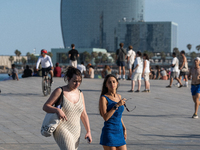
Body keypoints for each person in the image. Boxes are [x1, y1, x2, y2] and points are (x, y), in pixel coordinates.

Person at [43, 67, 92, 149]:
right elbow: (45, 106)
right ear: (68, 79)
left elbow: (83, 114)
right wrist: (57, 110)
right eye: (74, 81)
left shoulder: (80, 93)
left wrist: (88, 131)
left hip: (76, 130)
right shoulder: (60, 91)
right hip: (62, 128)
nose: (77, 84)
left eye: (79, 81)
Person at [99, 74, 127, 150]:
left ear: (117, 83)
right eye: (109, 82)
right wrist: (116, 105)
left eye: (114, 82)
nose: (112, 84)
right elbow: (106, 117)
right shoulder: (104, 98)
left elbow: (119, 116)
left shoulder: (119, 96)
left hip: (119, 131)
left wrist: (124, 128)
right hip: (109, 132)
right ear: (106, 85)